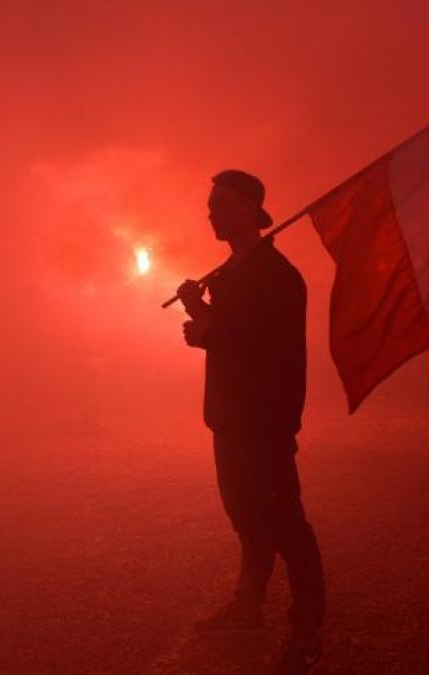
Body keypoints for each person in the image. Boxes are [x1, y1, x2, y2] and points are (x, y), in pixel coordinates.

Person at [176, 170, 325, 674]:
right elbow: (233, 331)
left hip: (263, 422)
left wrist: (206, 329)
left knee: (286, 525)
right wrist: (202, 308)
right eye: (210, 204)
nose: (211, 212)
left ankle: (308, 631)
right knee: (247, 521)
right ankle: (248, 607)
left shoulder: (277, 276)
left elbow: (265, 346)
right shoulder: (233, 273)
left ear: (248, 209)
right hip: (228, 419)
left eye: (219, 203)